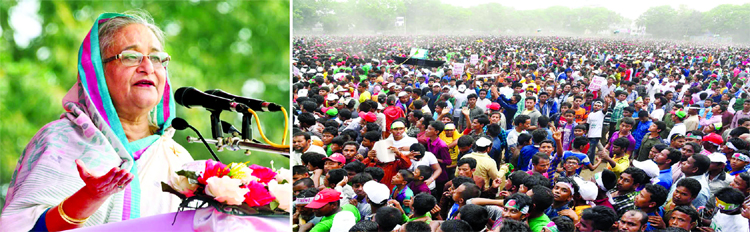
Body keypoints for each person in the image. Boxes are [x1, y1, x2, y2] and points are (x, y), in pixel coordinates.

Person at [1, 12, 198, 232]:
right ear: (97, 71)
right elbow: (23, 229)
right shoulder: (59, 139)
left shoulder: (177, 158)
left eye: (156, 57)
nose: (148, 67)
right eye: (131, 56)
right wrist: (88, 197)